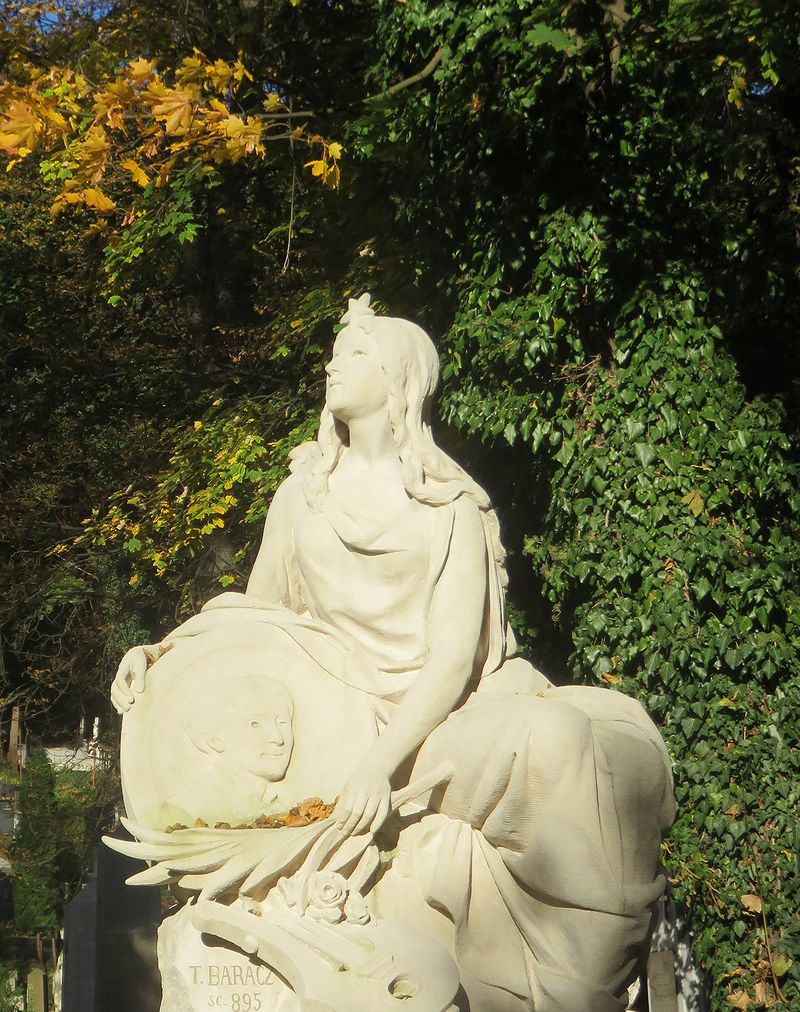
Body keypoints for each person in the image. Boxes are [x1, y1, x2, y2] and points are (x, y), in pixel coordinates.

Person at [112, 294, 674, 1011]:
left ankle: (576, 991)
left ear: (399, 379)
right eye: (333, 354)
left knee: (561, 738)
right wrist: (161, 656)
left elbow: (452, 662)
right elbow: (253, 628)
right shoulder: (301, 497)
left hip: (435, 720)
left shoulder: (450, 506)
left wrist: (378, 764)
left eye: (354, 354)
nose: (331, 366)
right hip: (335, 725)